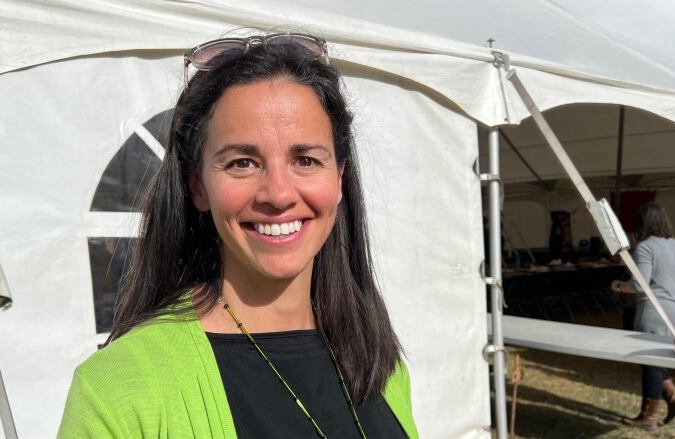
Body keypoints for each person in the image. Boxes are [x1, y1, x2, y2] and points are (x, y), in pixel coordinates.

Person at [58, 33, 418, 438]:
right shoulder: (117, 390)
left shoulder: (376, 360)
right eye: (242, 162)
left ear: (339, 178)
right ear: (197, 186)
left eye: (305, 159)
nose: (279, 194)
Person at [610, 202, 675, 431]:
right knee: (654, 360)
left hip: (656, 312)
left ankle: (650, 417)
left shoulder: (645, 247)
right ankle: (674, 400)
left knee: (650, 362)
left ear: (643, 223)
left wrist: (618, 285)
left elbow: (639, 284)